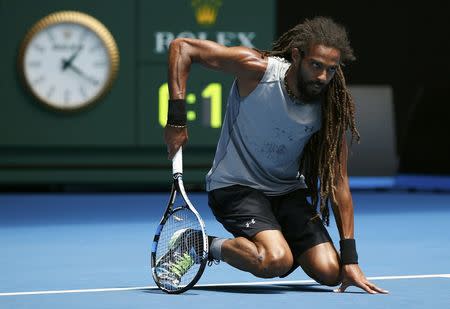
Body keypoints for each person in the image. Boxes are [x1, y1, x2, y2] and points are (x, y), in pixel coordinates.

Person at [163, 16, 388, 294]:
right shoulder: (257, 71)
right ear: (296, 56)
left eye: (330, 70)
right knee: (275, 260)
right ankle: (199, 244)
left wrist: (351, 260)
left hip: (285, 192)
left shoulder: (330, 109)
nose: (322, 77)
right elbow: (182, 47)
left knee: (331, 272)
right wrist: (176, 119)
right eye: (315, 65)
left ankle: (277, 239)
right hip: (236, 187)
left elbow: (338, 183)